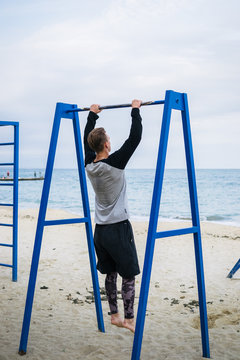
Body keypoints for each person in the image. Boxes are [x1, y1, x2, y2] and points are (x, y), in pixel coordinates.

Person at [84, 100, 142, 333]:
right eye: (108, 139)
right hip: (118, 229)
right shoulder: (115, 164)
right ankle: (128, 319)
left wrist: (91, 116)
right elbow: (134, 139)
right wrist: (135, 110)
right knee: (128, 276)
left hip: (101, 231)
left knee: (110, 273)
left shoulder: (89, 164)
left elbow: (87, 143)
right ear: (107, 144)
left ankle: (115, 315)